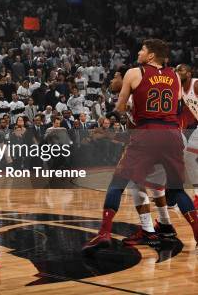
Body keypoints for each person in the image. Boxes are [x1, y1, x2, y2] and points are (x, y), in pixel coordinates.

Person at [82, 39, 198, 255]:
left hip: (147, 133)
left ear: (151, 55)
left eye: (142, 50)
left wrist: (118, 113)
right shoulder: (174, 75)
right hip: (172, 134)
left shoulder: (135, 73)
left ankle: (104, 232)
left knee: (118, 183)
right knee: (177, 190)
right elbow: (179, 105)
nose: (138, 52)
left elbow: (120, 106)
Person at [176, 64, 198, 209]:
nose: (178, 72)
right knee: (189, 158)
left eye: (181, 70)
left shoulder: (196, 84)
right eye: (176, 70)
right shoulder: (180, 90)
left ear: (189, 74)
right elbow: (184, 113)